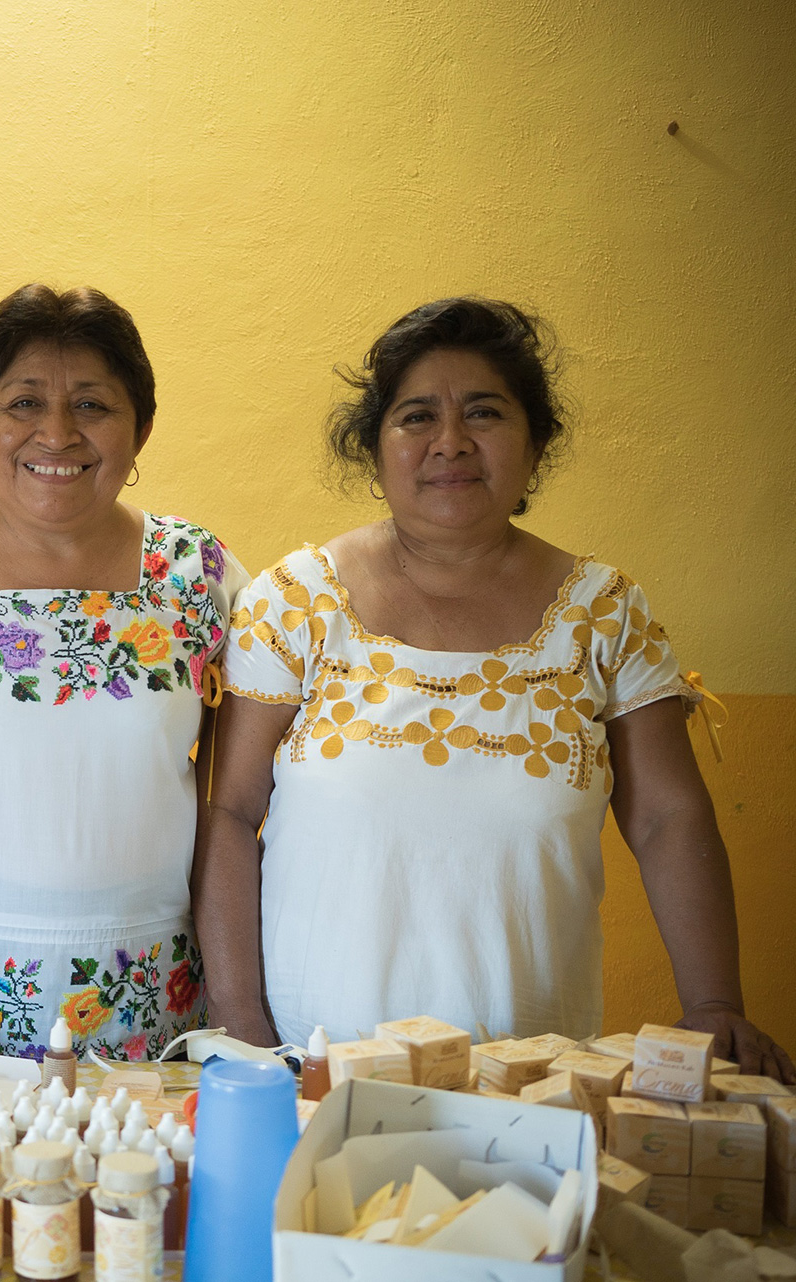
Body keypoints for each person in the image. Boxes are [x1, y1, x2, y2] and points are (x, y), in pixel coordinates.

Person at [197, 297, 793, 1080]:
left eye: (484, 412)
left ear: (536, 445)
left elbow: (668, 818)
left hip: (532, 1078)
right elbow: (232, 814)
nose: (450, 442)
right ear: (373, 450)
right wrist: (246, 1030)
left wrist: (714, 1002)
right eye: (416, 417)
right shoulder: (295, 604)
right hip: (315, 1067)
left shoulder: (603, 614)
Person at [0, 284, 247, 1066]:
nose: (57, 433)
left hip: (150, 1013)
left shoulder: (198, 574)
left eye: (94, 406)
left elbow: (232, 806)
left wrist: (245, 1004)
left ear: (141, 429)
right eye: (24, 402)